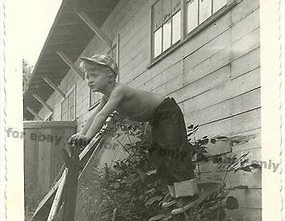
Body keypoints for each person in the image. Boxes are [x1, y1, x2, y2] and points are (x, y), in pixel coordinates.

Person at [68, 54, 199, 212]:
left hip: (167, 111)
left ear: (110, 77)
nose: (89, 80)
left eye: (94, 76)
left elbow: (103, 115)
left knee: (172, 150)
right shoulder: (106, 97)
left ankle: (189, 194)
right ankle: (176, 193)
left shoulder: (119, 90)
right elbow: (95, 115)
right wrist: (81, 133)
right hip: (156, 118)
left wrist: (88, 137)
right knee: (157, 153)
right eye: (87, 76)